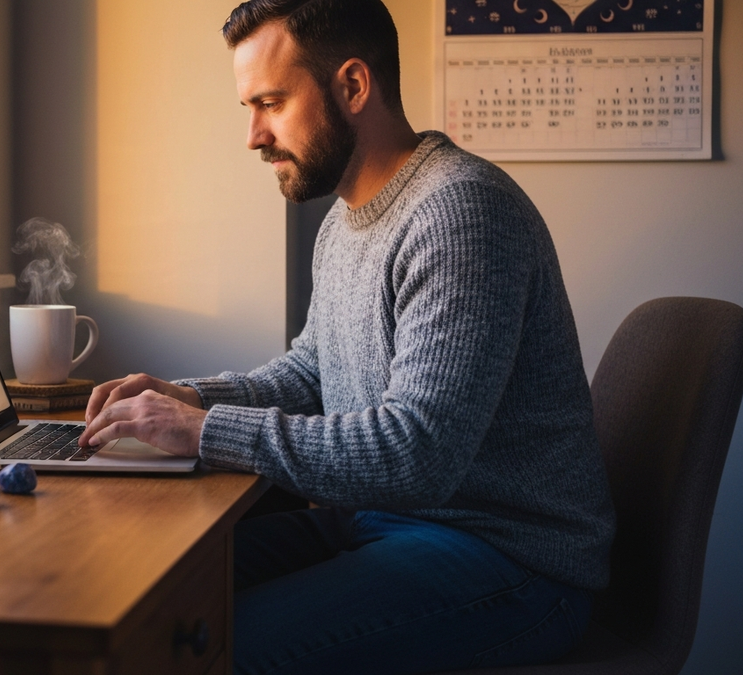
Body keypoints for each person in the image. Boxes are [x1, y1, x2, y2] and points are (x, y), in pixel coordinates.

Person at [77, 0, 616, 672]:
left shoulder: (462, 213)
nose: (252, 134)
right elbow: (313, 370)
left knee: (199, 647)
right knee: (145, 594)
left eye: (270, 102)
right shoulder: (344, 222)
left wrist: (201, 432)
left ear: (353, 86)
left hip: (508, 558)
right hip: (386, 522)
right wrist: (189, 399)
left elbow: (416, 452)